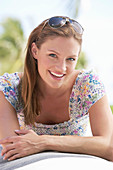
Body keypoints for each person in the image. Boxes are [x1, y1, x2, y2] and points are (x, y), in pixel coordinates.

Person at [0, 16, 113, 162]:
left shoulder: (88, 86)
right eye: (53, 55)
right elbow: (13, 150)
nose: (61, 68)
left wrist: (43, 142)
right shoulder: (9, 88)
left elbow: (110, 146)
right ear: (35, 51)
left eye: (71, 59)